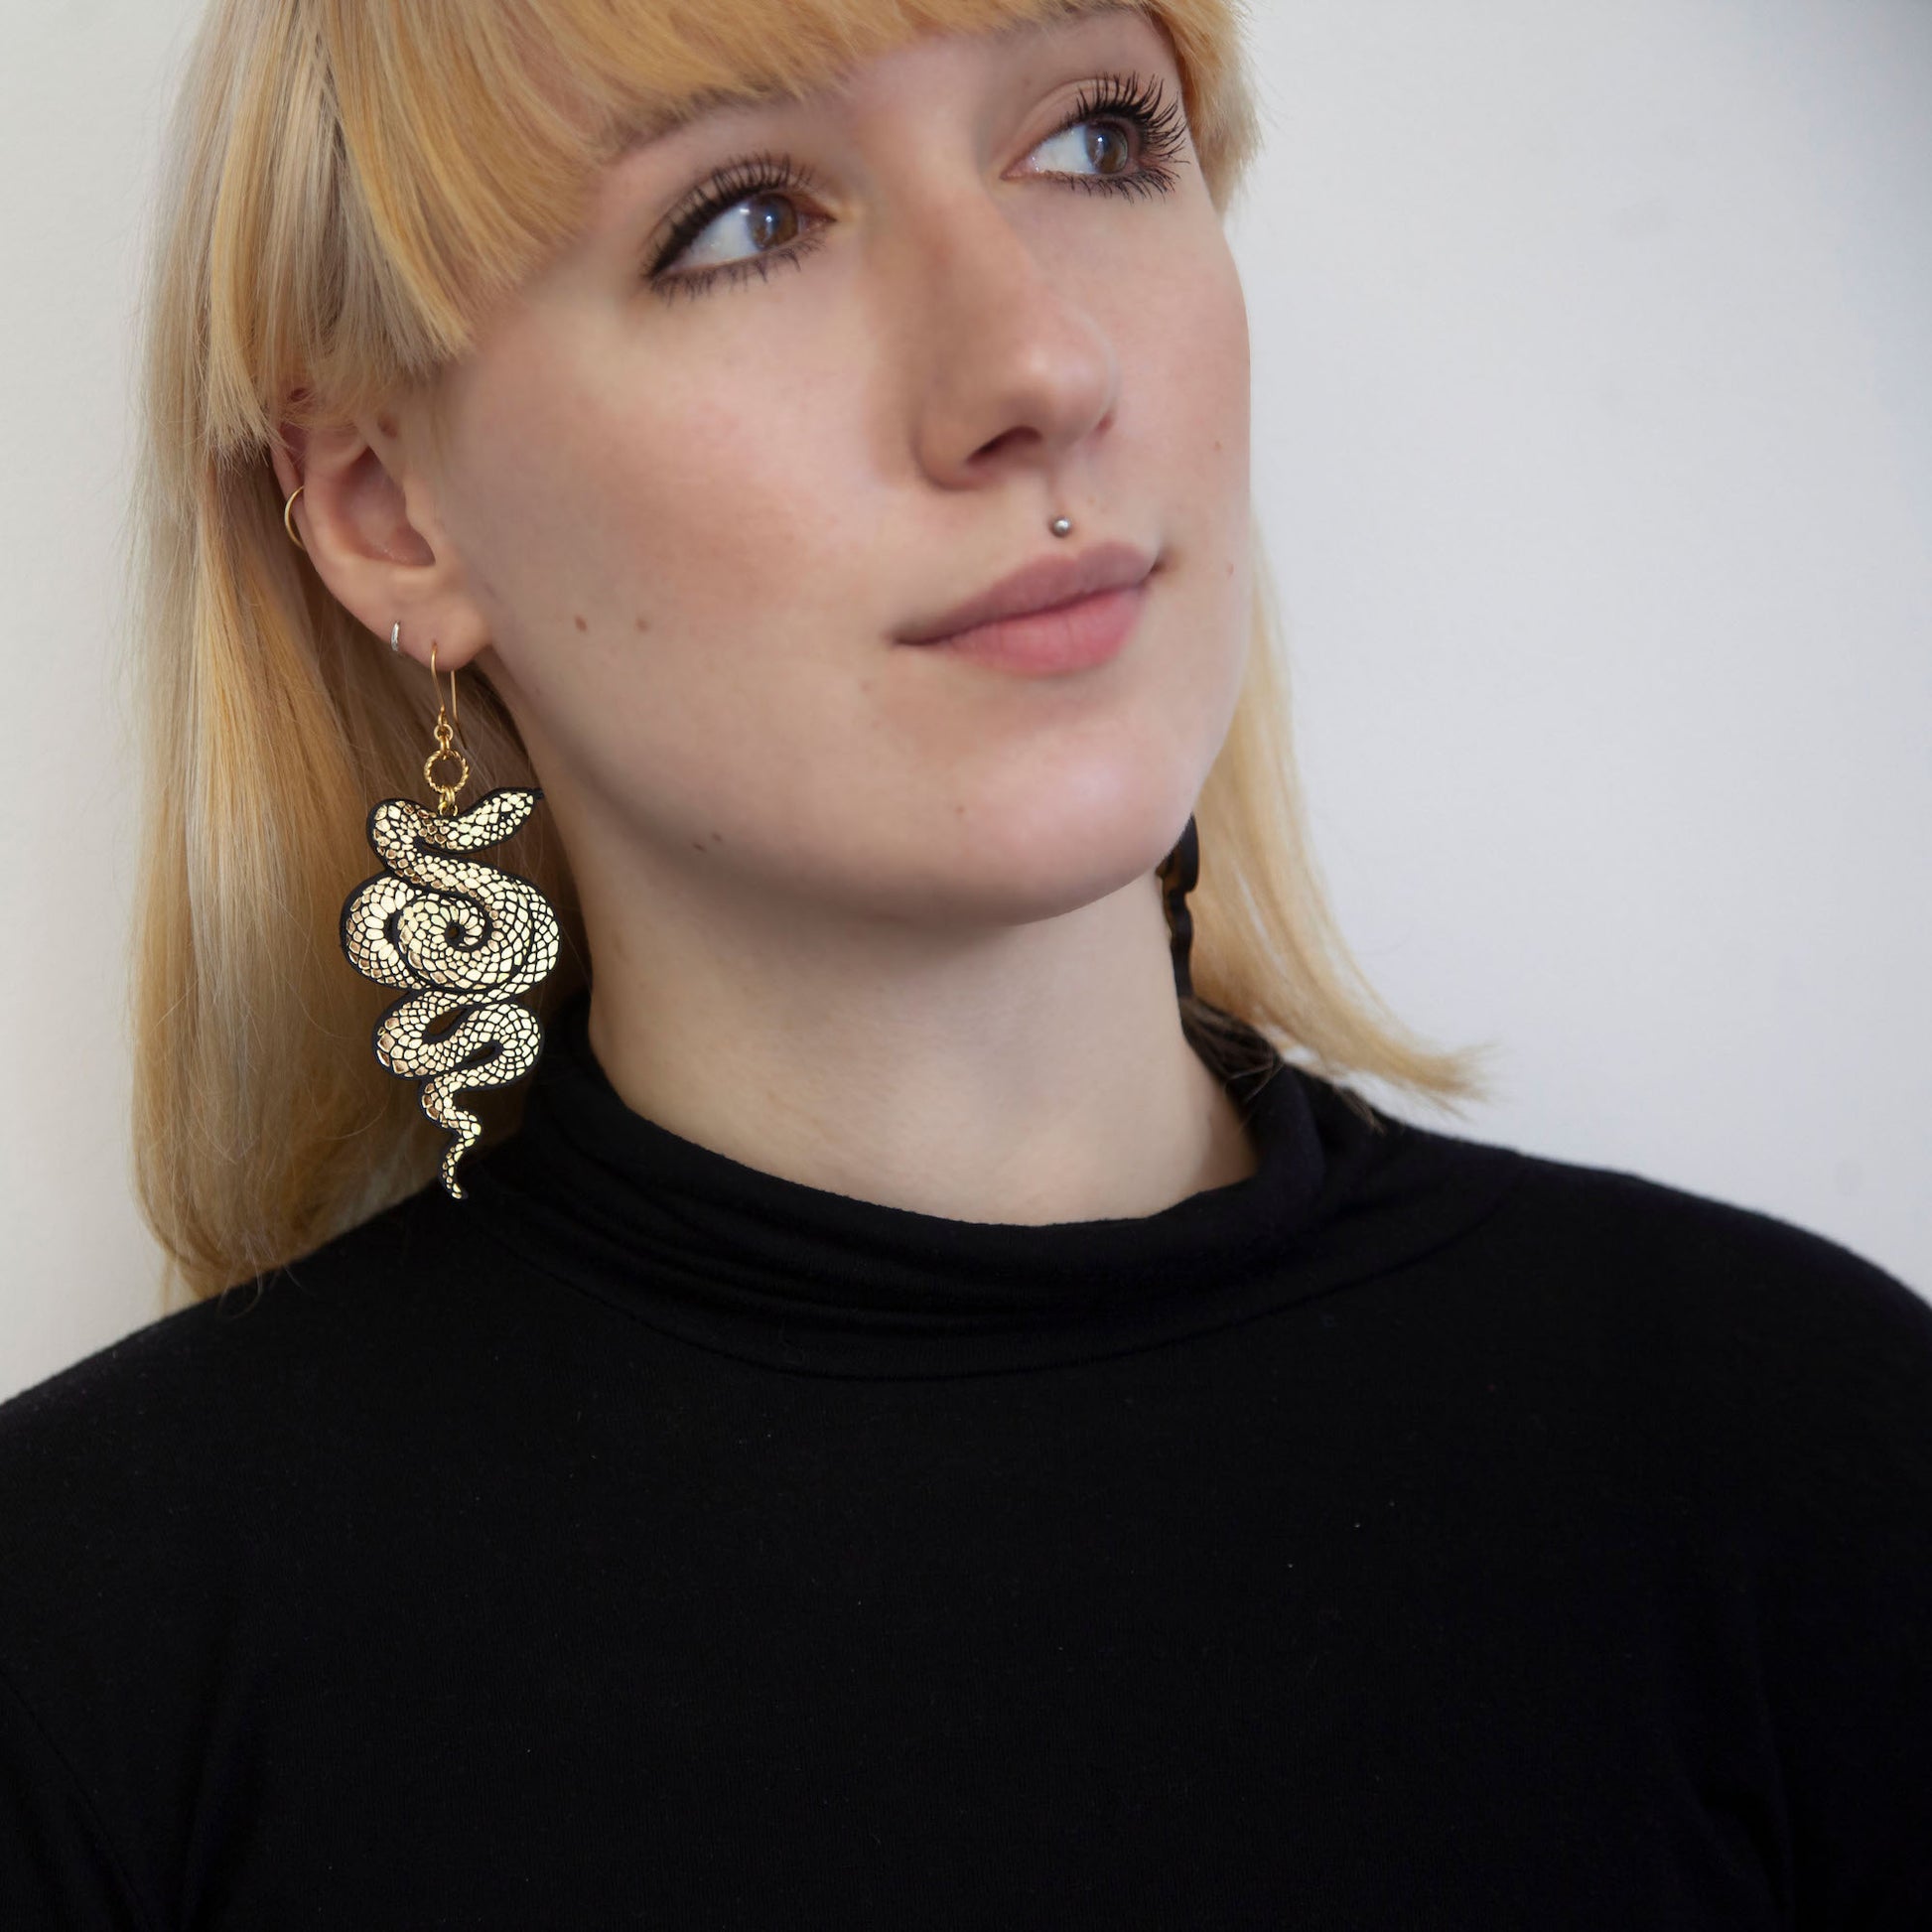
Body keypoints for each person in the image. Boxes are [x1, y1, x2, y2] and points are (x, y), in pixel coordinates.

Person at [1, 0, 1927, 1922]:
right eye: (745, 221)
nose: (1038, 362)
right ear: (384, 509)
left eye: (1095, 139)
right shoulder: (87, 1656)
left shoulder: (1811, 1467)